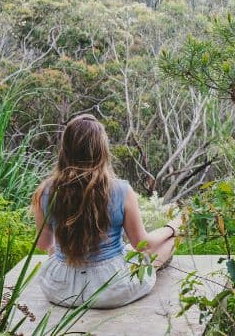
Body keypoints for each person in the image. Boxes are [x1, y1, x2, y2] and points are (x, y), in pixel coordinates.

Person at [31, 114, 181, 309]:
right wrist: (173, 228)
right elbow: (141, 244)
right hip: (112, 288)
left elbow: (44, 244)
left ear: (65, 149)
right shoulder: (121, 190)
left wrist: (68, 251)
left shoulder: (45, 190)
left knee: (123, 251)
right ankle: (173, 235)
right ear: (102, 150)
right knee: (171, 240)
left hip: (61, 290)